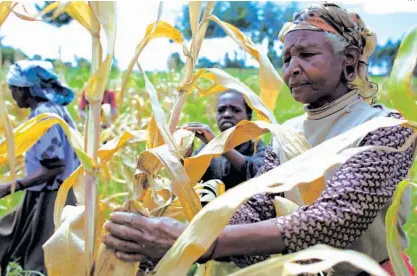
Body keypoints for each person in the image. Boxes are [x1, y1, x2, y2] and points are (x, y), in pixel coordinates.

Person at [101, 3, 416, 276]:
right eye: (287, 58)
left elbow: (337, 218)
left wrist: (197, 241)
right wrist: (172, 222)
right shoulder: (286, 134)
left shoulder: (387, 128)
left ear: (348, 59)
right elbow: (259, 208)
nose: (292, 69)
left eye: (306, 54)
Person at [0, 60, 80, 274]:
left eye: (12, 90)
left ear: (23, 89)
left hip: (53, 196)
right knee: (4, 234)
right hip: (47, 192)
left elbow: (54, 166)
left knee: (40, 260)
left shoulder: (43, 115)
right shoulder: (52, 108)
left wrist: (9, 187)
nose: (12, 96)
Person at [183, 89, 266, 190]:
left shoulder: (257, 147)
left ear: (248, 116)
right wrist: (184, 156)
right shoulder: (207, 148)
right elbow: (187, 182)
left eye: (235, 110)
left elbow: (259, 172)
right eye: (221, 110)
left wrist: (219, 144)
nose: (226, 114)